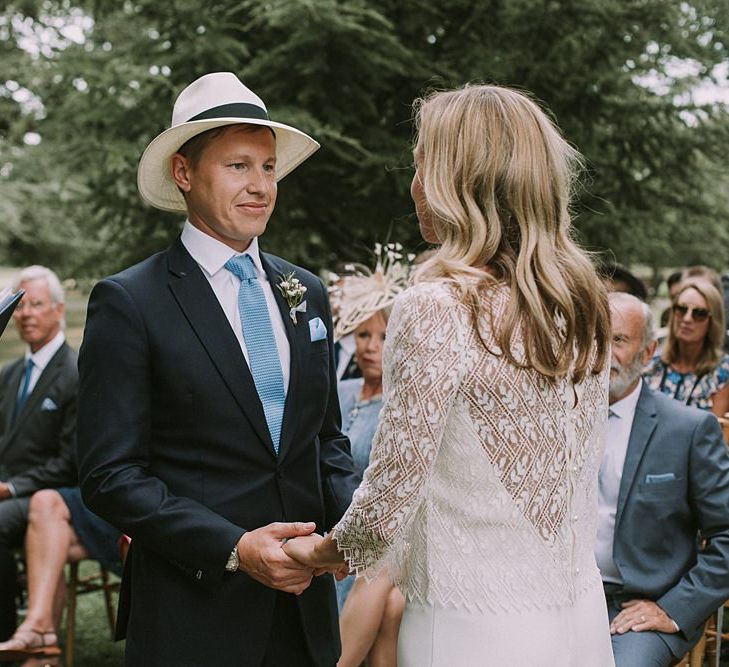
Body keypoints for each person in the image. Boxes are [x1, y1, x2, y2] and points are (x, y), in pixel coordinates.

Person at [284, 84, 614, 665]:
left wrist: (321, 554)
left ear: (458, 183)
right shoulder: (584, 304)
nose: (413, 187)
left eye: (421, 168)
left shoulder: (438, 306)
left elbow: (390, 495)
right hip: (580, 625)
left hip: (470, 628)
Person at [75, 72, 359, 666]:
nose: (260, 187)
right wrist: (234, 547)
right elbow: (110, 475)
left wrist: (351, 533)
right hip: (194, 616)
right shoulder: (130, 301)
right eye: (238, 166)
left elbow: (325, 442)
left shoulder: (304, 291)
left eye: (268, 167)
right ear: (184, 173)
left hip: (305, 617)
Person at [599, 292, 729, 666]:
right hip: (561, 600)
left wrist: (673, 609)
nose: (602, 353)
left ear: (648, 351)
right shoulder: (555, 419)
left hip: (639, 607)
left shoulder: (688, 429)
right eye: (595, 338)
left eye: (619, 340)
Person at [330, 245, 408, 667]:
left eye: (384, 337)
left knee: (382, 590)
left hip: (384, 536)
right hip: (329, 525)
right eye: (363, 335)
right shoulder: (338, 394)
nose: (372, 347)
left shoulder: (402, 407)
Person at [0, 266, 77, 641]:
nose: (26, 314)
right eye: (19, 307)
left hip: (51, 495)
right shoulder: (9, 374)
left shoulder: (76, 372)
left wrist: (10, 488)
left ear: (59, 309)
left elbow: (70, 463)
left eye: (36, 305)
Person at [0, 488, 122, 662]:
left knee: (48, 518)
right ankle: (40, 637)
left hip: (142, 501)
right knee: (47, 510)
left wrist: (11, 487)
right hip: (103, 493)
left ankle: (40, 642)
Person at [644, 277, 729, 415]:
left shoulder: (723, 372)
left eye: (699, 313)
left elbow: (715, 432)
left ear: (713, 321)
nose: (687, 318)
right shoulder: (649, 362)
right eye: (681, 309)